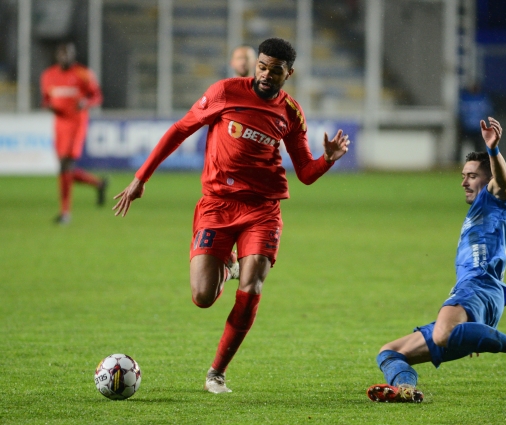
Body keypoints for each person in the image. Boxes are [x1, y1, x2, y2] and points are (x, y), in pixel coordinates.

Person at [113, 38, 350, 394]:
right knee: (202, 297)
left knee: (252, 284)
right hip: (217, 205)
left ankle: (217, 373)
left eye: (276, 70)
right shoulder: (225, 92)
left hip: (262, 209)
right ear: (256, 63)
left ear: (289, 73)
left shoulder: (291, 113)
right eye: (262, 66)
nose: (266, 75)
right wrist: (140, 178)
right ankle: (225, 266)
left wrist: (328, 159)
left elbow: (304, 172)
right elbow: (180, 130)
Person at [366, 117, 506, 403]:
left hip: (478, 286)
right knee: (390, 352)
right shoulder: (481, 211)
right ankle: (406, 390)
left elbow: (504, 181)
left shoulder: (495, 199)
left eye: (471, 175)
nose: (464, 182)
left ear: (487, 179)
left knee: (441, 335)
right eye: (463, 175)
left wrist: (494, 150)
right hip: (478, 293)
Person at [40, 42, 107, 225]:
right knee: (65, 168)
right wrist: (49, 107)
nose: (64, 57)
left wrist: (85, 102)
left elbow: (97, 96)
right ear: (57, 56)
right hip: (60, 124)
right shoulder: (48, 75)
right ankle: (99, 184)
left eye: (68, 54)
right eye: (61, 54)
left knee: (66, 164)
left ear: (73, 55)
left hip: (77, 123)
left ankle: (65, 213)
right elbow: (45, 100)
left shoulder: (83, 74)